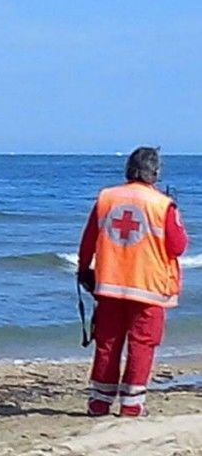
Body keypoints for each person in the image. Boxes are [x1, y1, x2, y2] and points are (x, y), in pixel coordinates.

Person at [77, 146, 188, 417]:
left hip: (110, 285)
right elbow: (178, 246)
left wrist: (83, 270)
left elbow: (88, 239)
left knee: (107, 344)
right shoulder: (162, 204)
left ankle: (99, 403)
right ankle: (132, 405)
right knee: (142, 344)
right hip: (149, 287)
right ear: (156, 172)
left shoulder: (107, 198)